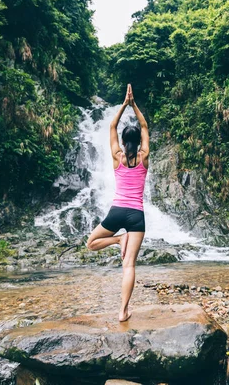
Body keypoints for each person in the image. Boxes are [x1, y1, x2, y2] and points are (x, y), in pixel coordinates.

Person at [85, 84, 149, 322]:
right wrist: (135, 105)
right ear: (139, 141)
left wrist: (124, 104)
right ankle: (123, 311)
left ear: (123, 141)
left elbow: (111, 126)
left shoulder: (117, 157)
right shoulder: (144, 157)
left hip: (117, 211)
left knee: (91, 243)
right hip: (136, 216)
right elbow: (144, 125)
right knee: (129, 265)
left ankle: (117, 239)